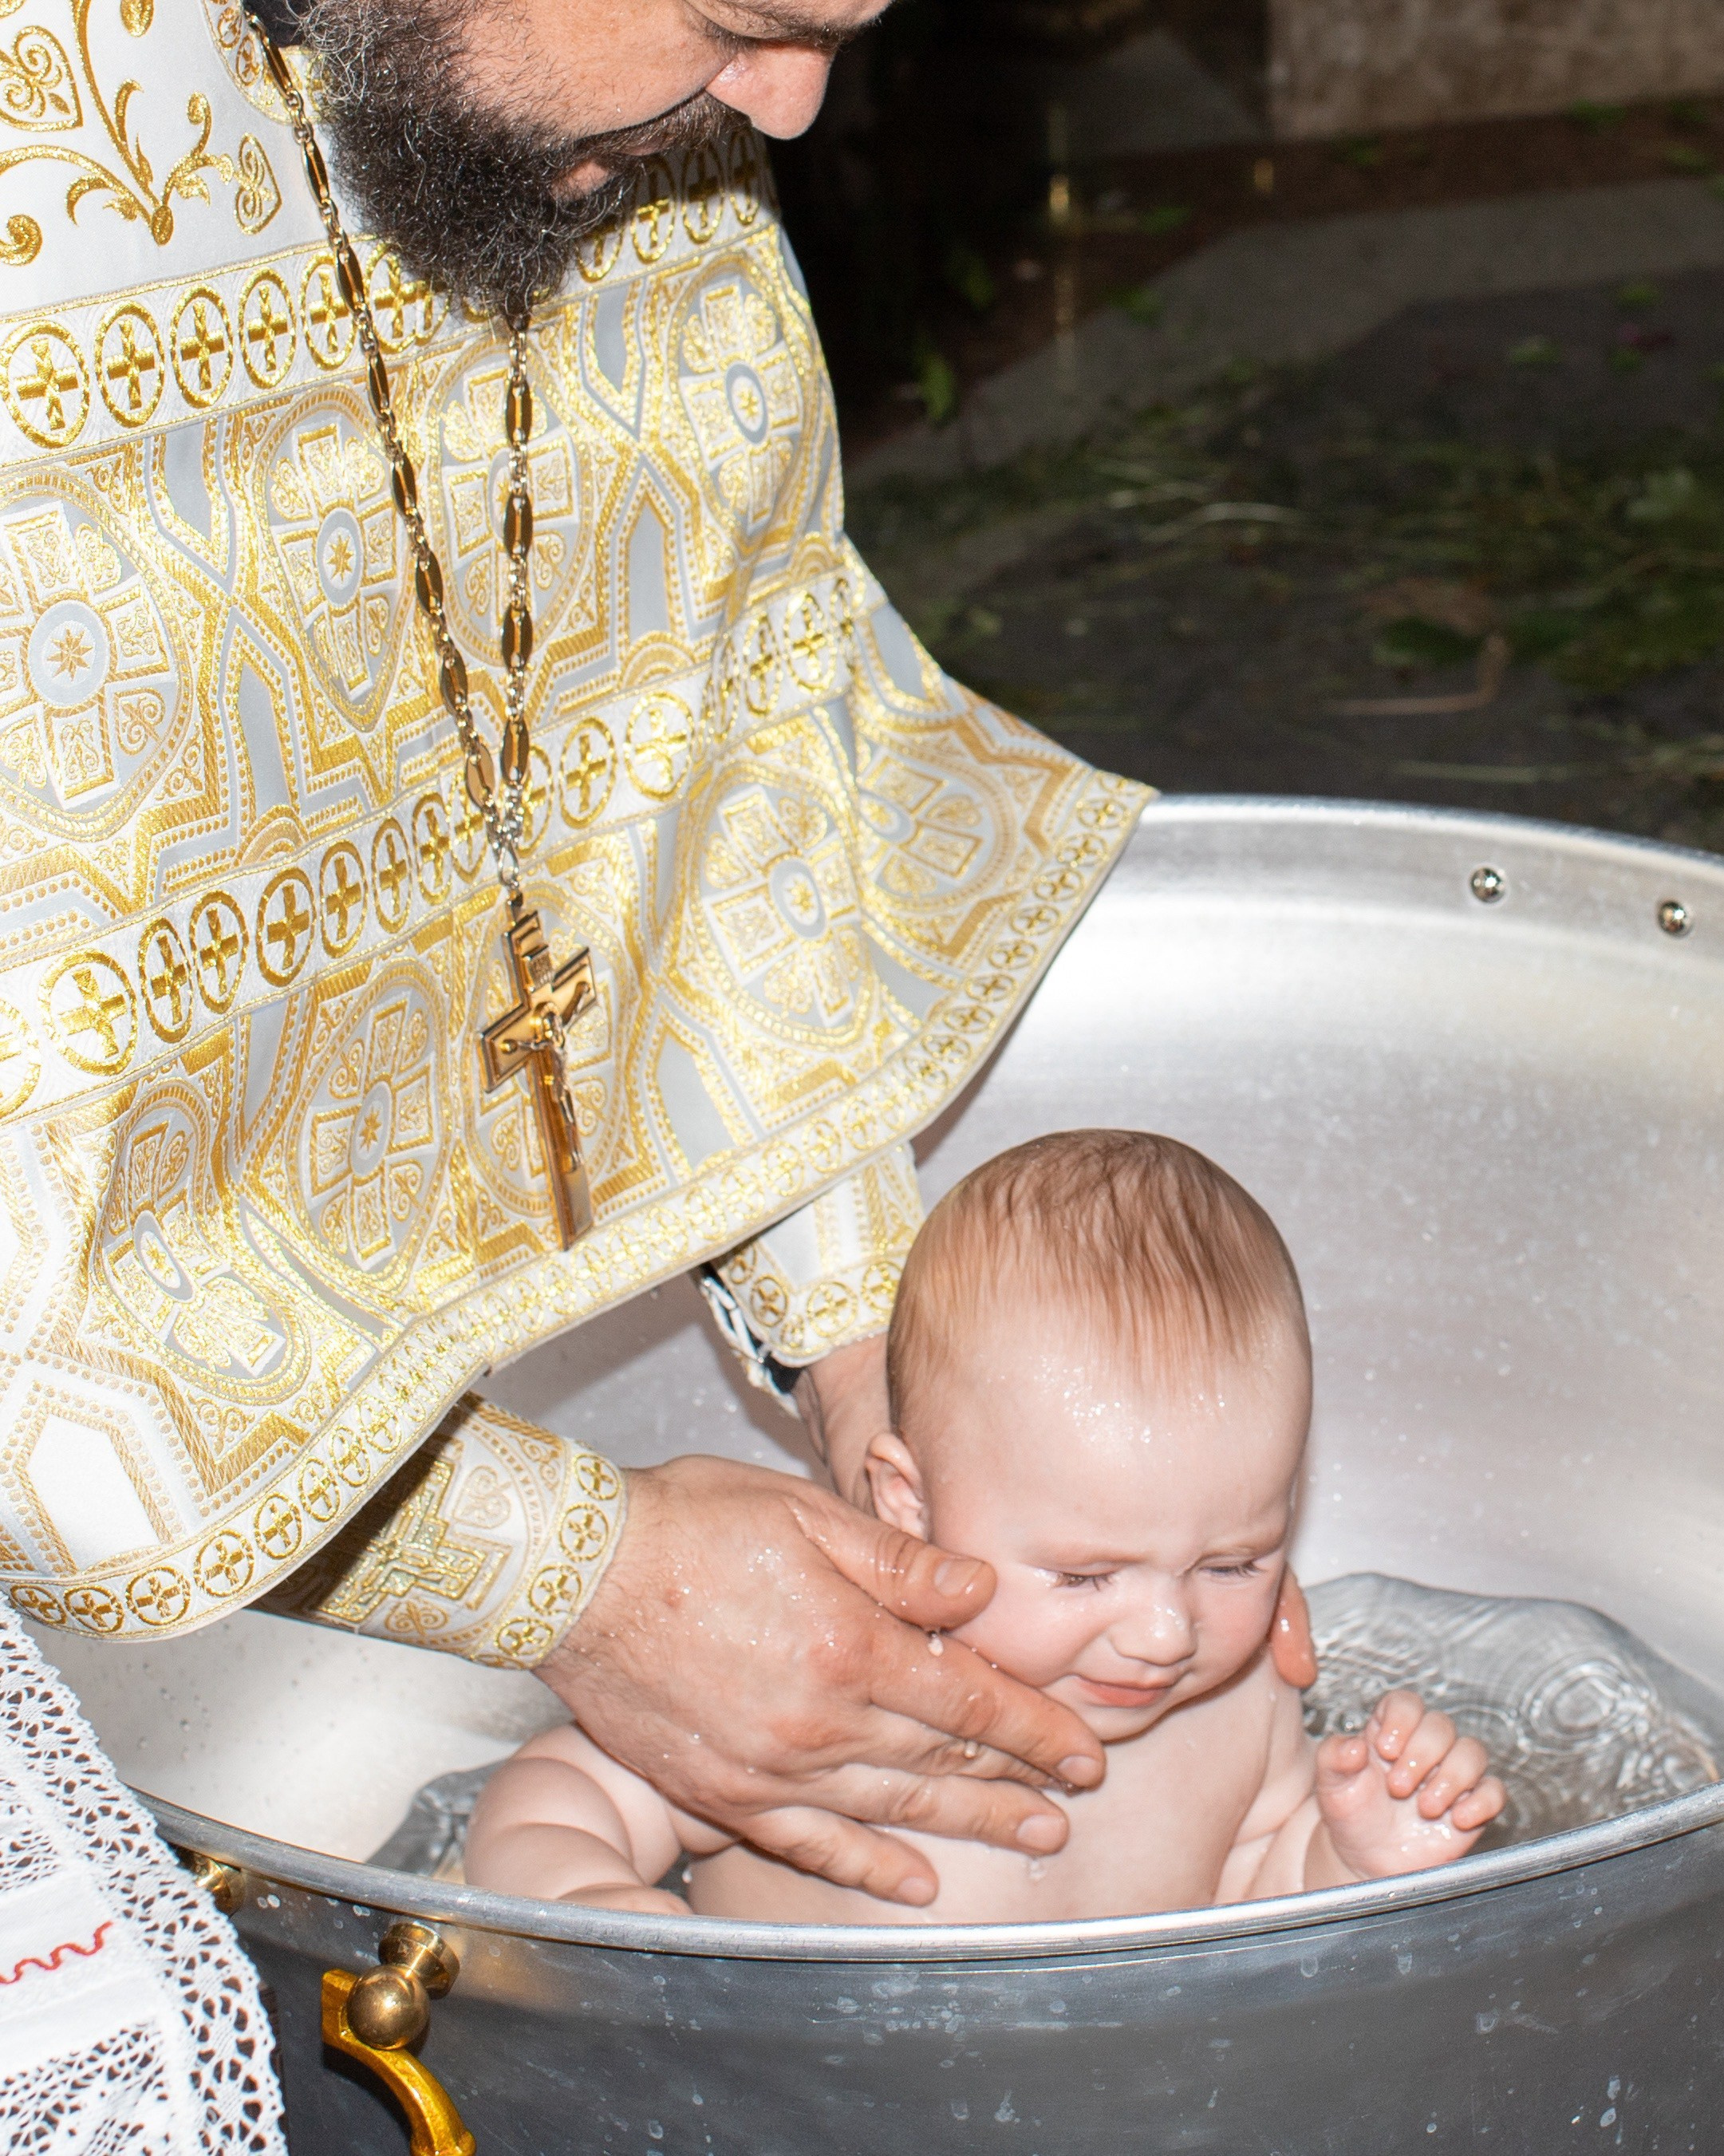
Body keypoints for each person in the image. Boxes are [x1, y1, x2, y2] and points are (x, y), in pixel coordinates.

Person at [465, 1131, 1505, 1921]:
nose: (1164, 1632)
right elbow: (555, 1798)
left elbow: (1248, 1895)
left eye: (1232, 1560)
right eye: (1086, 1575)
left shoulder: (1234, 1712)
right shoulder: (813, 1671)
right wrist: (594, 1909)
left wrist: (1351, 1848)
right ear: (911, 1505)